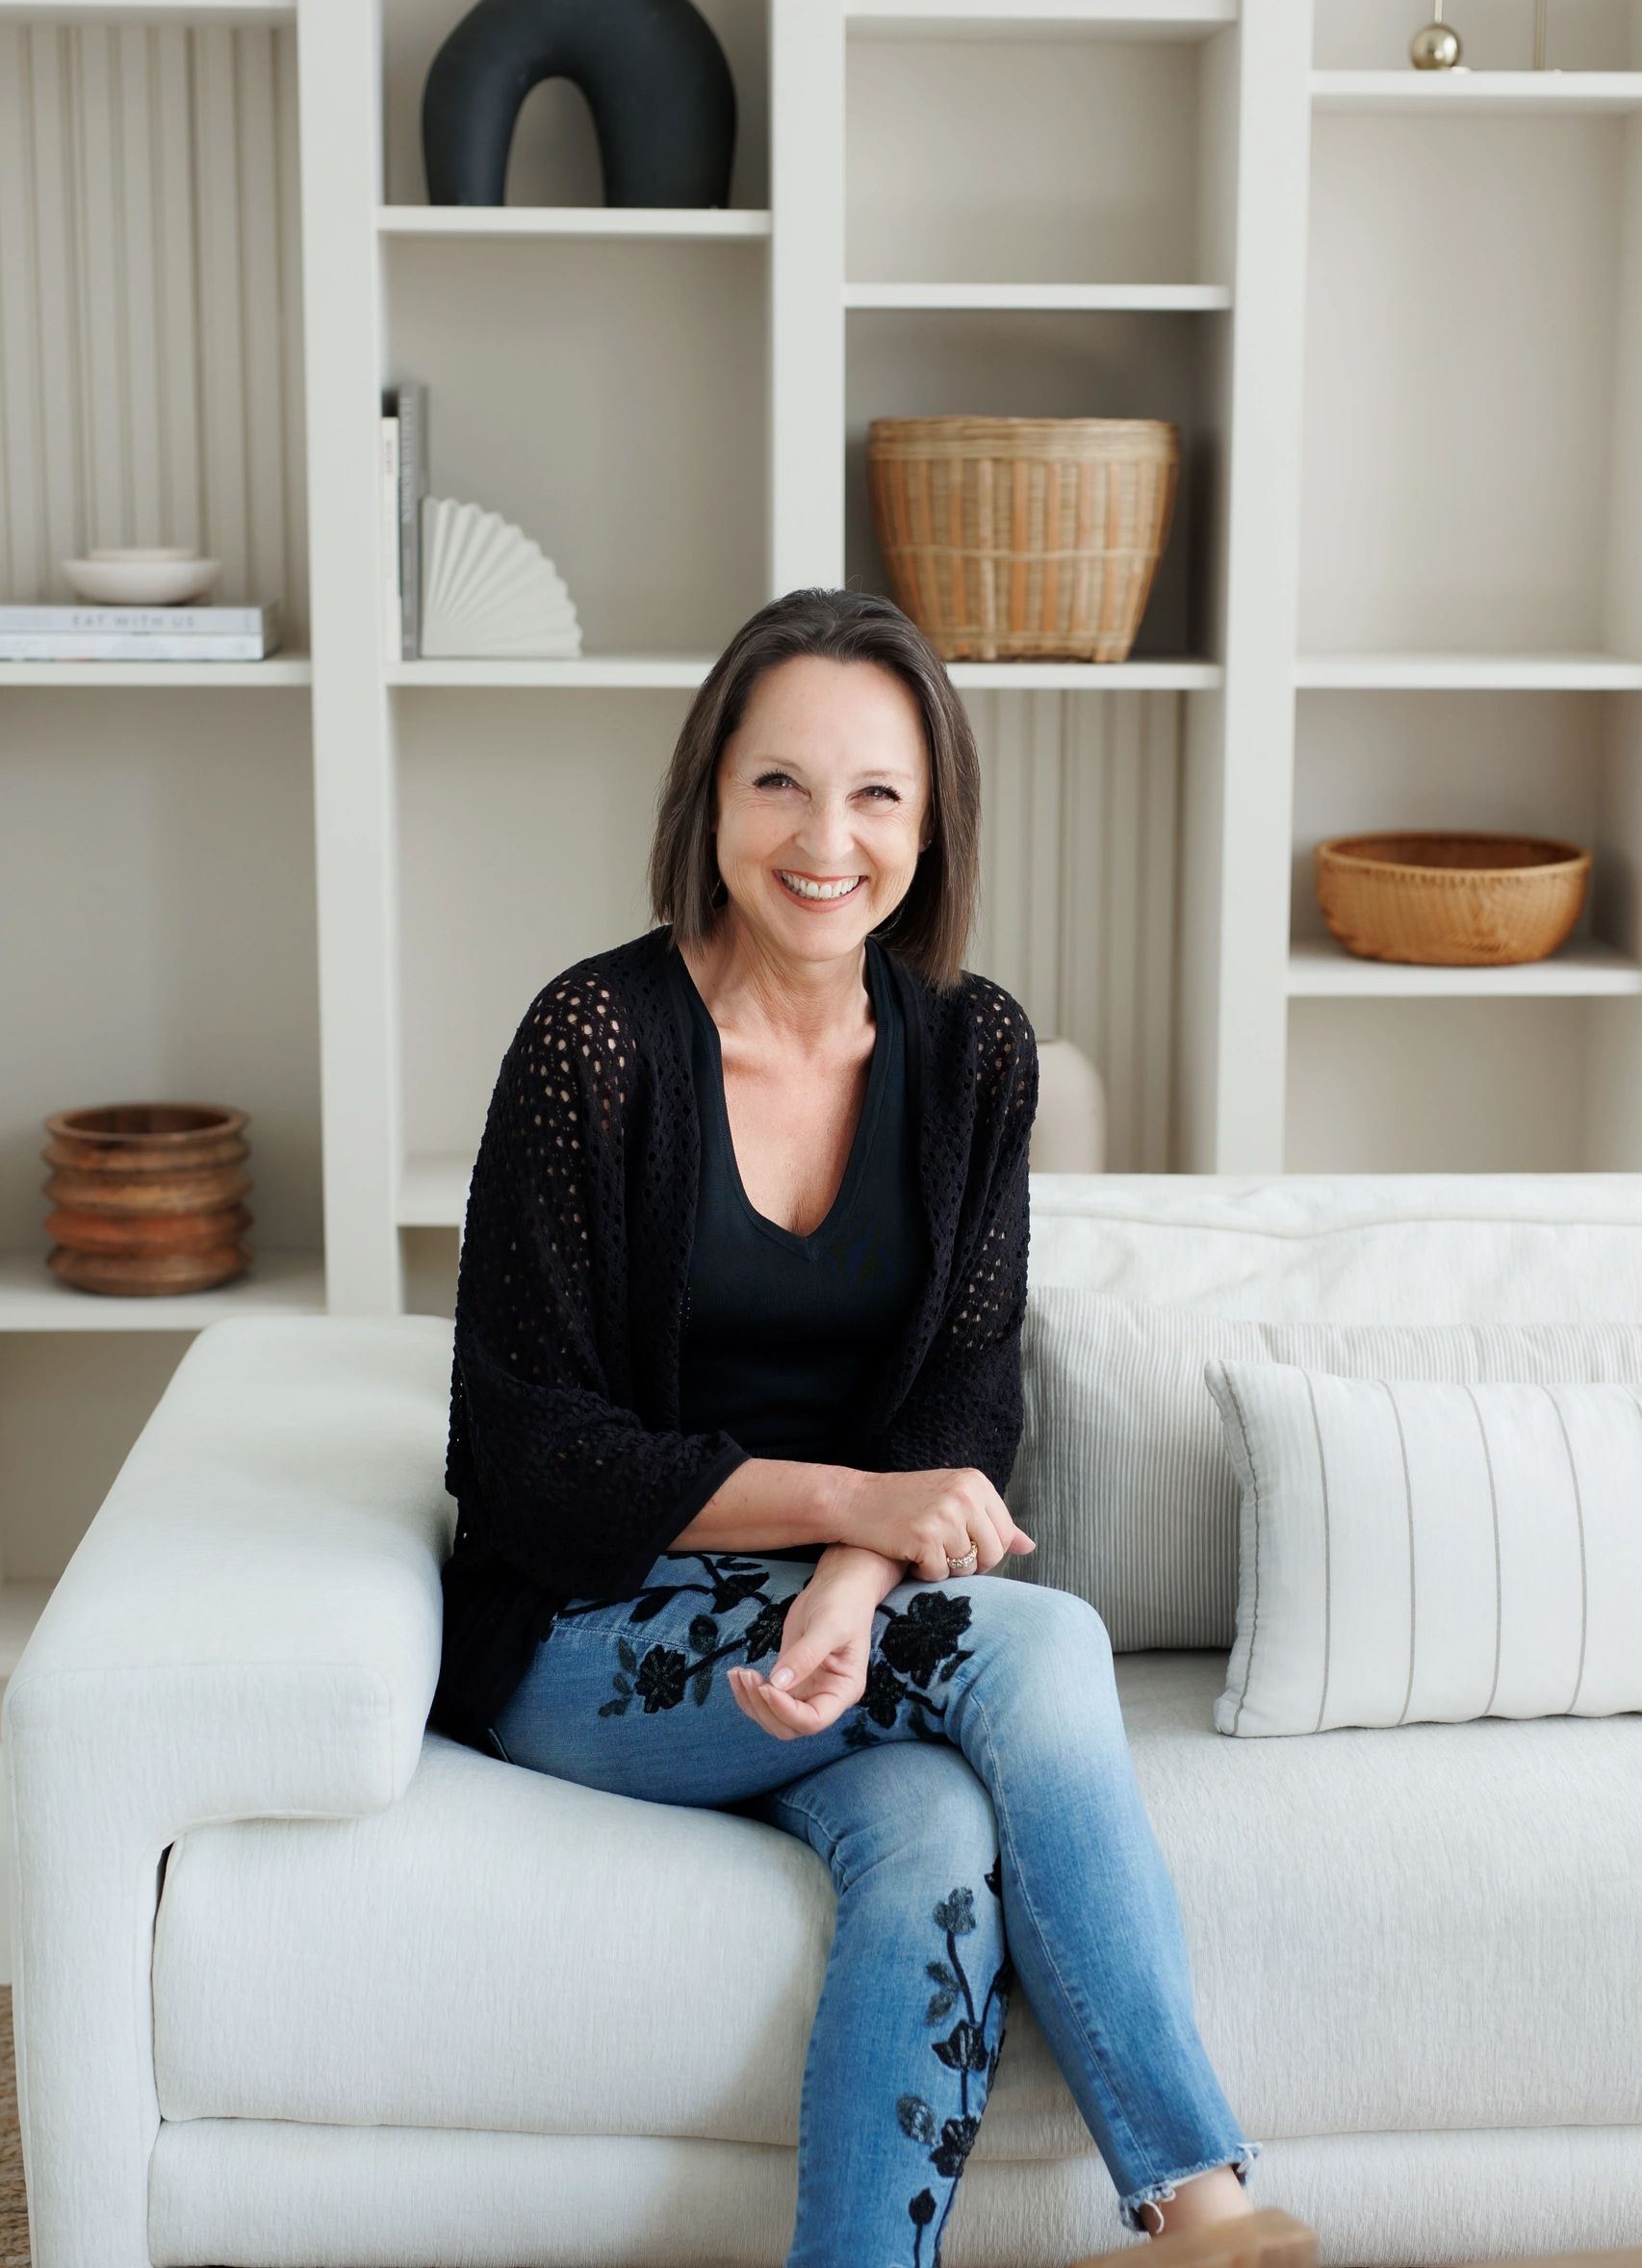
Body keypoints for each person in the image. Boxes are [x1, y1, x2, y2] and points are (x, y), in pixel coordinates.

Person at [431, 586, 1261, 2262]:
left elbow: (968, 1395)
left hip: (837, 1625)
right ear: (709, 800)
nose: (828, 840)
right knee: (1037, 1652)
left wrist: (850, 1580)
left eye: (877, 792)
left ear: (933, 816)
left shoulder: (974, 1053)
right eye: (779, 786)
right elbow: (518, 1446)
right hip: (588, 1632)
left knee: (944, 1842)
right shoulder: (592, 1042)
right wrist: (846, 1507)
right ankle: (1210, 2214)